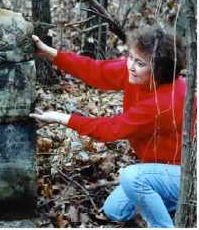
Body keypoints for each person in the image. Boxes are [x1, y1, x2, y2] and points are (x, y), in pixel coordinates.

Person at [30, 25, 196, 227]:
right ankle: (175, 202)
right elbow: (96, 71)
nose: (130, 66)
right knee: (114, 210)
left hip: (188, 174)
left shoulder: (166, 101)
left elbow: (112, 129)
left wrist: (62, 118)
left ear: (159, 70)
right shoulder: (135, 73)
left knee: (132, 177)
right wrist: (49, 53)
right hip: (161, 168)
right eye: (131, 57)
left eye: (140, 63)